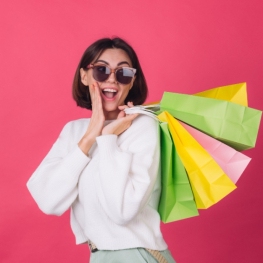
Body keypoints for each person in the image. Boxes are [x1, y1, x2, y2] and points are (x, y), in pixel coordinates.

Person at [27, 37, 176, 263]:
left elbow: (122, 211)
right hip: (99, 256)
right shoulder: (74, 131)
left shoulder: (143, 126)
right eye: (101, 70)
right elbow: (49, 201)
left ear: (132, 81)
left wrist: (107, 139)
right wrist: (90, 136)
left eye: (124, 73)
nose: (112, 79)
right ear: (84, 76)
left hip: (137, 255)